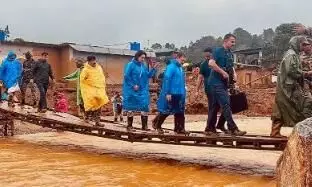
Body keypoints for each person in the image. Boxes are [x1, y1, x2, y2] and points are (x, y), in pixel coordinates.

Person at [205, 34, 246, 136]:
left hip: (224, 84)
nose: (233, 44)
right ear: (225, 41)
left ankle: (209, 128)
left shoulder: (230, 54)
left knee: (215, 107)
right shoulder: (218, 51)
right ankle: (233, 128)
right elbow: (211, 63)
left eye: (234, 42)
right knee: (226, 104)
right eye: (232, 41)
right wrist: (222, 72)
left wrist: (234, 76)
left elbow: (231, 67)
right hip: (215, 83)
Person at [271, 36, 312, 137]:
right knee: (306, 102)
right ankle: (303, 133)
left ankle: (275, 132)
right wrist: (306, 74)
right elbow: (291, 71)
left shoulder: (293, 54)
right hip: (289, 87)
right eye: (303, 44)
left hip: (287, 86)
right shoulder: (291, 55)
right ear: (297, 43)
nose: (304, 47)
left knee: (281, 107)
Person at [122, 50, 157, 131]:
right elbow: (126, 76)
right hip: (131, 90)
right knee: (131, 107)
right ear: (137, 56)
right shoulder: (130, 65)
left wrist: (153, 69)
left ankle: (144, 126)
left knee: (144, 106)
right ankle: (129, 126)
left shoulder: (143, 66)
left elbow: (148, 75)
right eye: (142, 57)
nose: (143, 59)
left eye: (144, 58)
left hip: (142, 90)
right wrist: (133, 85)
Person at [153, 52, 188, 135]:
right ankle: (157, 125)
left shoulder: (180, 68)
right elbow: (167, 79)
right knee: (166, 111)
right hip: (172, 93)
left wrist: (184, 91)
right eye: (183, 58)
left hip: (179, 93)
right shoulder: (171, 67)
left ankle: (179, 129)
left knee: (180, 111)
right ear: (179, 57)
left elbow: (181, 81)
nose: (184, 60)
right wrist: (168, 93)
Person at [80, 56, 109, 126]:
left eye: (94, 60)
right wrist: (89, 82)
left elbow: (102, 77)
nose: (94, 62)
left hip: (99, 89)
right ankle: (87, 117)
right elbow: (82, 80)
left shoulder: (99, 68)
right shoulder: (85, 70)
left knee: (99, 102)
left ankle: (97, 121)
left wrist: (102, 86)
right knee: (91, 102)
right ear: (88, 62)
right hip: (89, 89)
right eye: (92, 60)